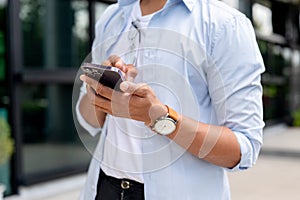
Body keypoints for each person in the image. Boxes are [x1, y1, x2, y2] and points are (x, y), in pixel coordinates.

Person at [75, 0, 265, 199]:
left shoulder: (224, 25)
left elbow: (242, 148)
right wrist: (100, 91)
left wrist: (160, 118)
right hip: (103, 188)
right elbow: (89, 121)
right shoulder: (112, 17)